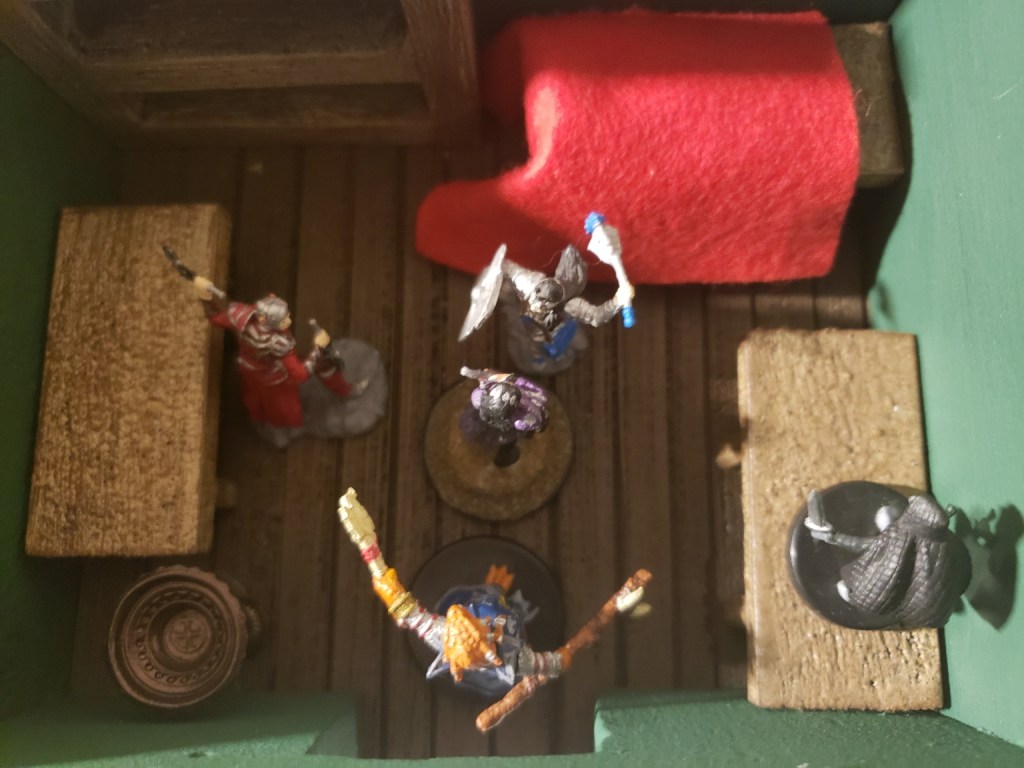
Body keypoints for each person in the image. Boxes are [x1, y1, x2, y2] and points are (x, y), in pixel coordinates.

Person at [193, 276, 350, 429]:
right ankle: (287, 428)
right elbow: (300, 375)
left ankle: (260, 417)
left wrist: (204, 295)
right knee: (284, 409)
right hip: (275, 379)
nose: (288, 321)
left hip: (249, 370)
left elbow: (214, 316)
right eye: (283, 320)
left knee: (255, 398)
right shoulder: (280, 343)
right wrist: (317, 350)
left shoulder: (242, 319)